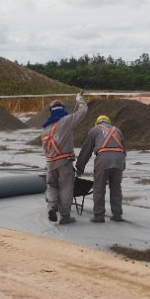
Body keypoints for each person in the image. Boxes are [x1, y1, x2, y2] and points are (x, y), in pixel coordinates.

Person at [42, 92, 87, 225]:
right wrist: (80, 99)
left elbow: (45, 149)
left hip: (50, 163)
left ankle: (51, 207)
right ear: (62, 109)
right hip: (64, 162)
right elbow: (83, 111)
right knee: (66, 188)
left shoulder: (45, 128)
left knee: (51, 185)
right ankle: (65, 217)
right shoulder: (66, 121)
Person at [76, 115, 126, 223]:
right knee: (116, 189)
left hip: (103, 159)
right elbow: (123, 149)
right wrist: (122, 165)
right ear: (109, 122)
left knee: (99, 188)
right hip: (119, 160)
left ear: (97, 123)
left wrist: (79, 168)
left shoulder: (94, 130)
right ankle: (117, 215)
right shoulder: (117, 130)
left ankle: (99, 216)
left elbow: (86, 151)